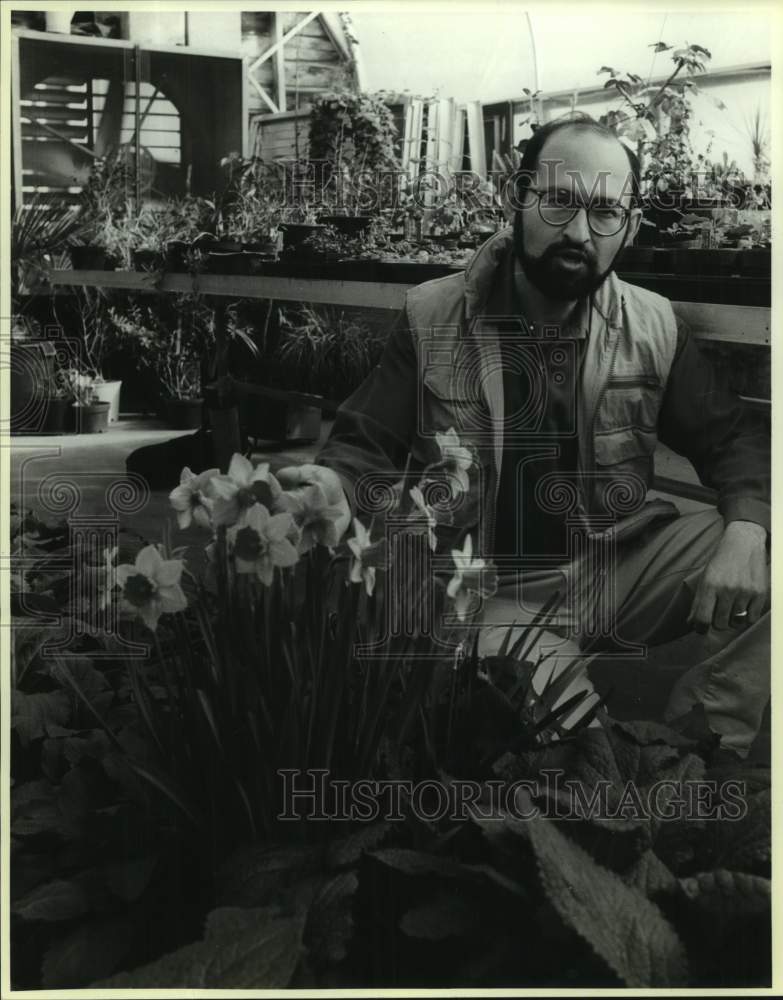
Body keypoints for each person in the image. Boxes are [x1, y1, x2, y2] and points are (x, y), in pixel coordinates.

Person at [277, 114, 770, 755]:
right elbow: (364, 439)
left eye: (604, 212)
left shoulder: (653, 326)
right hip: (487, 590)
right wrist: (334, 482)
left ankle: (702, 759)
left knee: (767, 546)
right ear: (518, 196)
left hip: (611, 565)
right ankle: (597, 770)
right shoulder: (433, 316)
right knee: (572, 756)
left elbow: (733, 440)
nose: (578, 231)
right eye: (560, 201)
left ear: (630, 227)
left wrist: (748, 526)